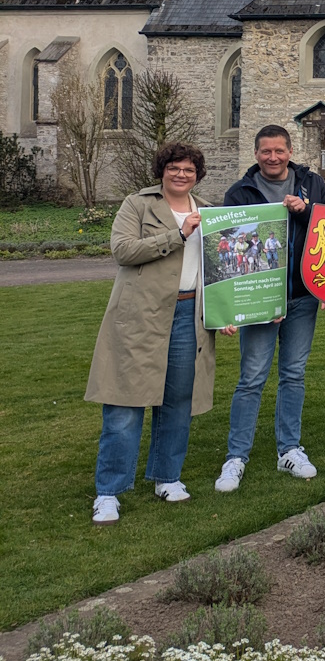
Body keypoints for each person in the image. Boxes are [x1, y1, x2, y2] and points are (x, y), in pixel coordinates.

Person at [87, 143, 216, 524]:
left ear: (197, 174)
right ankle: (109, 491)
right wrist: (177, 232)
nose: (181, 174)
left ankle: (167, 478)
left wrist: (224, 310)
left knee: (177, 402)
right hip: (140, 317)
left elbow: (219, 268)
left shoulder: (208, 210)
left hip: (189, 314)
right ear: (161, 171)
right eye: (174, 168)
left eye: (189, 170)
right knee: (125, 404)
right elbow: (123, 251)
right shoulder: (137, 205)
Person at [214, 126, 325, 492]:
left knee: (293, 375)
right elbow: (226, 245)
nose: (273, 157)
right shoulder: (239, 192)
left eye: (279, 151)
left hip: (301, 297)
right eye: (266, 151)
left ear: (290, 150)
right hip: (259, 302)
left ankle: (289, 450)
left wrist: (306, 210)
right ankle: (236, 456)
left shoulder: (311, 184)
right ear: (256, 153)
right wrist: (230, 308)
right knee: (251, 378)